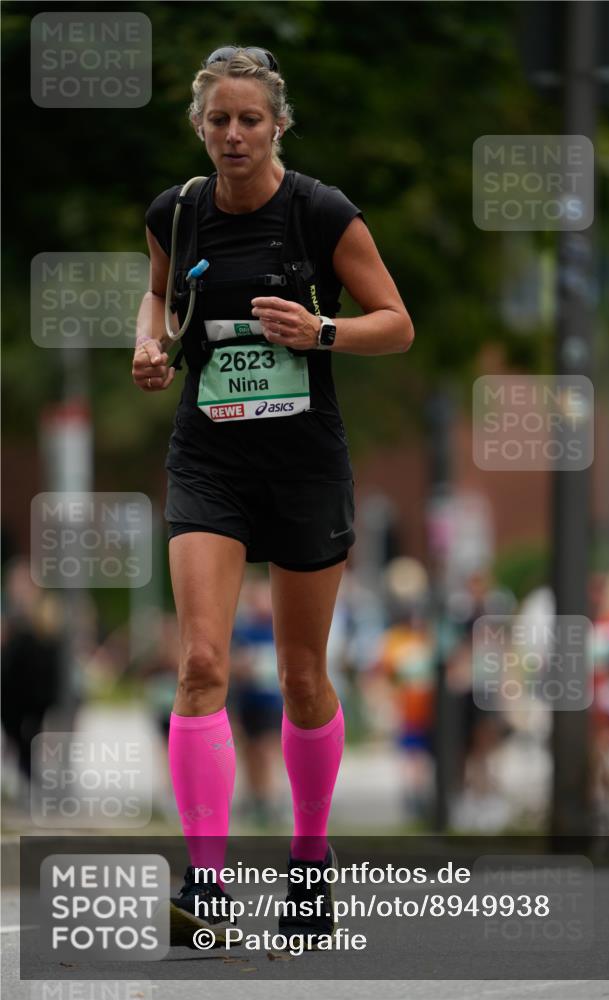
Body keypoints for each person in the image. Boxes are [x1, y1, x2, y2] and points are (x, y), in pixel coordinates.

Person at [134, 45, 413, 947]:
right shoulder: (175, 214)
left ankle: (307, 861)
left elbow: (396, 324)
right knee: (202, 662)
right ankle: (206, 885)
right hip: (209, 457)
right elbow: (155, 298)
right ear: (199, 127)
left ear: (277, 125)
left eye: (250, 119)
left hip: (302, 464)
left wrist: (321, 327)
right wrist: (148, 343)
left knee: (299, 677)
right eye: (218, 119)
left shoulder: (320, 213)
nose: (234, 134)